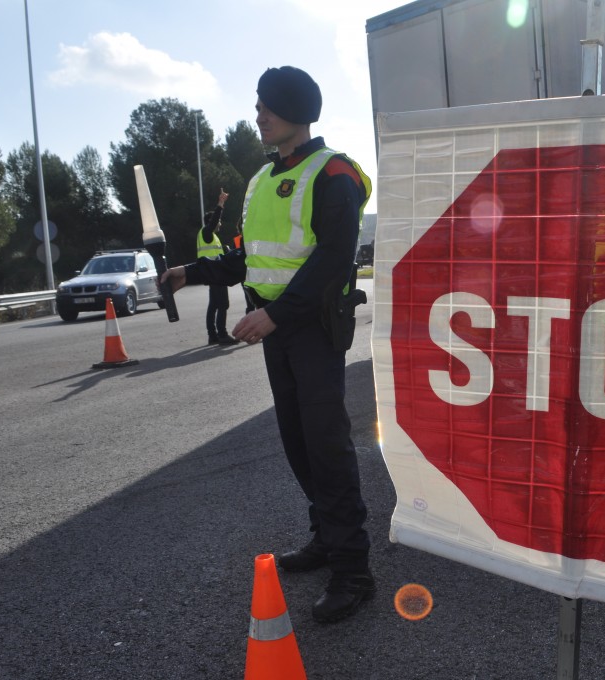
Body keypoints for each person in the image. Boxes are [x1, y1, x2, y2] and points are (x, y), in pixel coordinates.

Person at [160, 65, 374, 624]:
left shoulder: (336, 174)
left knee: (327, 445)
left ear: (296, 111)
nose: (258, 117)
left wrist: (275, 315)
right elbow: (247, 259)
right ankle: (326, 538)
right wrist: (190, 271)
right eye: (258, 107)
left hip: (311, 329)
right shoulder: (260, 181)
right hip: (276, 328)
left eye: (267, 108)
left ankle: (354, 569)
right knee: (298, 442)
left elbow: (333, 258)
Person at [198, 189, 238, 345]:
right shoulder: (207, 233)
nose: (220, 223)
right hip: (215, 275)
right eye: (218, 221)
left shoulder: (211, 237)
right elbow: (214, 221)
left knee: (214, 305)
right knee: (222, 304)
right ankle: (222, 334)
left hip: (212, 274)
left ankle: (212, 336)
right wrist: (220, 204)